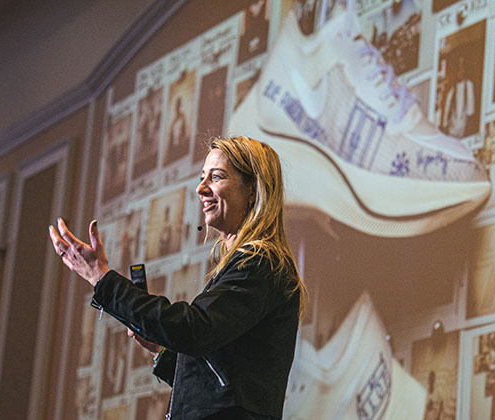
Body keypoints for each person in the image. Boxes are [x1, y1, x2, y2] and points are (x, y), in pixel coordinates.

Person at [49, 136, 306, 419]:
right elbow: (219, 384)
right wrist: (161, 350)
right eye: (201, 177)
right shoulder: (247, 264)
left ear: (253, 190)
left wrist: (101, 277)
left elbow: (194, 329)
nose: (200, 188)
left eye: (216, 177)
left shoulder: (260, 263)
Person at [442, 55, 476, 138]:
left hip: (463, 127)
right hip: (452, 126)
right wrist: (445, 123)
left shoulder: (468, 85)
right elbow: (447, 105)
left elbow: (470, 110)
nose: (460, 73)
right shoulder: (453, 87)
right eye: (458, 70)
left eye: (462, 69)